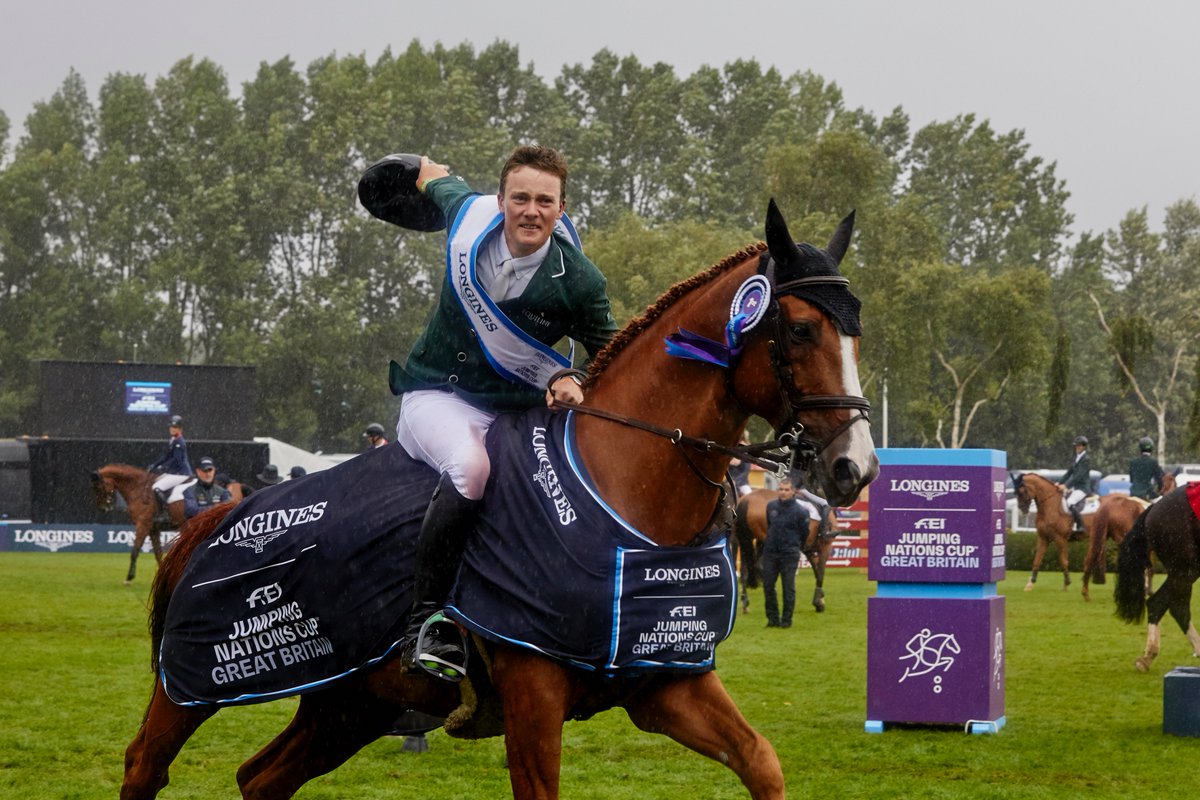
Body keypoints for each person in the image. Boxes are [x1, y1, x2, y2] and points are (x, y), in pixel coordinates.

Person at [385, 145, 617, 681]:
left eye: (544, 201)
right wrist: (411, 174)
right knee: (471, 468)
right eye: (520, 198)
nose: (531, 211)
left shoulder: (582, 281)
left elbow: (613, 354)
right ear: (500, 200)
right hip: (435, 395)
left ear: (562, 209)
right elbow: (433, 177)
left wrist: (574, 379)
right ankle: (424, 623)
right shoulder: (466, 215)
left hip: (515, 413)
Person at [762, 478, 818, 629]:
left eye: (786, 490)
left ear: (793, 491)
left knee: (788, 588)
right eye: (781, 489)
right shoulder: (771, 506)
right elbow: (769, 525)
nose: (783, 492)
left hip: (789, 554)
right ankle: (772, 619)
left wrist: (793, 546)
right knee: (768, 586)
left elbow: (804, 533)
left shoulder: (801, 511)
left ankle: (786, 620)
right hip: (770, 553)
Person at [147, 415, 193, 516]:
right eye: (171, 427)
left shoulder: (179, 442)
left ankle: (165, 512)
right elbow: (166, 457)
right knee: (154, 480)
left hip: (181, 474)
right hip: (175, 473)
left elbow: (176, 460)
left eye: (175, 427)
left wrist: (162, 467)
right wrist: (155, 465)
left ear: (180, 429)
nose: (172, 429)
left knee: (156, 487)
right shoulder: (173, 440)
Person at [1057, 435, 1092, 532]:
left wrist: (1066, 485)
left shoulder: (1086, 459)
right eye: (1076, 445)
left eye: (1079, 446)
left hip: (1082, 488)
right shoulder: (1077, 458)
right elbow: (1069, 473)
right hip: (1075, 488)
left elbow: (1078, 476)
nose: (1077, 447)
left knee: (1070, 502)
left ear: (1084, 447)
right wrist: (1059, 483)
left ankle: (1080, 525)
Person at [1128, 436, 1165, 501]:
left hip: (1133, 493)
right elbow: (1159, 480)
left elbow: (1131, 480)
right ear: (1151, 449)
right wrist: (1160, 488)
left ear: (1140, 448)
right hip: (1147, 493)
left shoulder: (1133, 462)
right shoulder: (1153, 462)